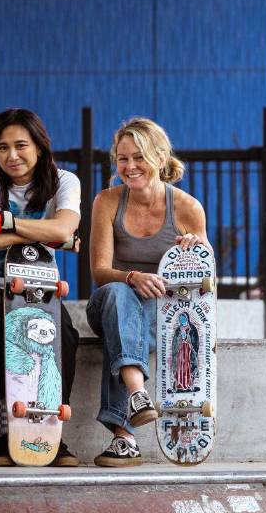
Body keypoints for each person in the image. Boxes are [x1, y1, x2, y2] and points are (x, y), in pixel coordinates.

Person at [0, 108, 81, 466]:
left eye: (21, 145)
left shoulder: (64, 182)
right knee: (3, 328)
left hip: (39, 290)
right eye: (2, 148)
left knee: (66, 336)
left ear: (40, 147)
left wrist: (6, 222)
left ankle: (51, 433)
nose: (12, 155)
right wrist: (52, 233)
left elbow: (62, 230)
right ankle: (5, 434)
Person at [86, 116, 210, 467]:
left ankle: (123, 438)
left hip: (163, 317)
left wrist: (194, 248)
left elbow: (206, 271)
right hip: (110, 302)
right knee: (118, 296)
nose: (130, 166)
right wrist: (132, 277)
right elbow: (99, 272)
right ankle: (139, 395)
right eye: (122, 159)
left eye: (138, 157)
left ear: (159, 158)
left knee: (126, 328)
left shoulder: (186, 207)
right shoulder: (107, 202)